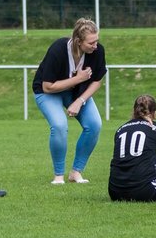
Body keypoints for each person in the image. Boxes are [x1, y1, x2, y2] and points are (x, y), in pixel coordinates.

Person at [33, 18, 106, 184]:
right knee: (59, 125)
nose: (95, 46)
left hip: (76, 94)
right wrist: (78, 78)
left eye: (97, 41)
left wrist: (80, 101)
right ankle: (58, 175)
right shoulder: (58, 49)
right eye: (91, 43)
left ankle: (76, 172)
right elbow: (47, 87)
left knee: (94, 125)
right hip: (48, 93)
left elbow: (97, 80)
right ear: (78, 41)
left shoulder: (97, 51)